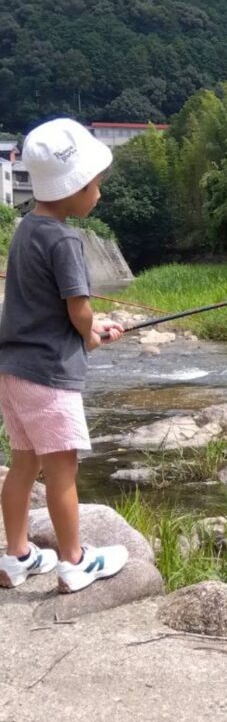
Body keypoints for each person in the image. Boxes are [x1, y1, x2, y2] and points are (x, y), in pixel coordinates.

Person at [0, 118, 129, 593]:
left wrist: (92, 330)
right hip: (50, 376)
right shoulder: (66, 239)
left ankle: (16, 556)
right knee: (62, 470)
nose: (99, 192)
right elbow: (77, 309)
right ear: (74, 187)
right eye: (94, 184)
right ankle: (75, 562)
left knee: (23, 464)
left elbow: (46, 308)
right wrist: (91, 332)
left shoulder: (26, 229)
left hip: (13, 371)